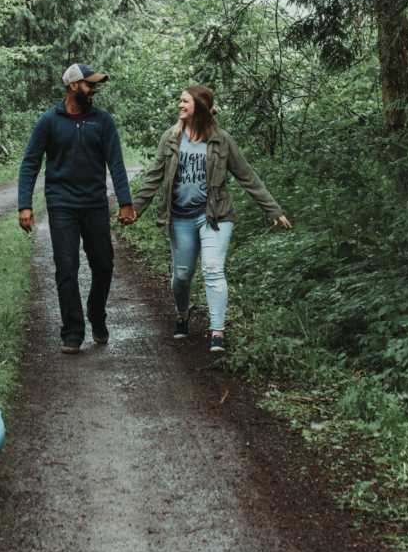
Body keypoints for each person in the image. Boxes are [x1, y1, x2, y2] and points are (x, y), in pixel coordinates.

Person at [124, 84, 291, 353]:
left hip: (215, 216)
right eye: (180, 100)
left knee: (213, 269)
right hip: (180, 217)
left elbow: (246, 176)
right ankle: (182, 314)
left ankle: (217, 332)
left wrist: (272, 209)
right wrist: (134, 209)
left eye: (185, 101)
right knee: (182, 275)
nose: (180, 105)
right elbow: (154, 176)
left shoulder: (221, 140)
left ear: (199, 107)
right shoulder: (171, 137)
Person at [18, 63, 135, 353]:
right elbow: (30, 162)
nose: (93, 89)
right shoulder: (49, 121)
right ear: (73, 86)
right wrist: (25, 205)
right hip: (62, 205)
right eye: (88, 84)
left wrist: (125, 202)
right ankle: (72, 331)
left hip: (95, 203)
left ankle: (96, 314)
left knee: (104, 265)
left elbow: (116, 163)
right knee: (66, 268)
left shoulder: (103, 121)